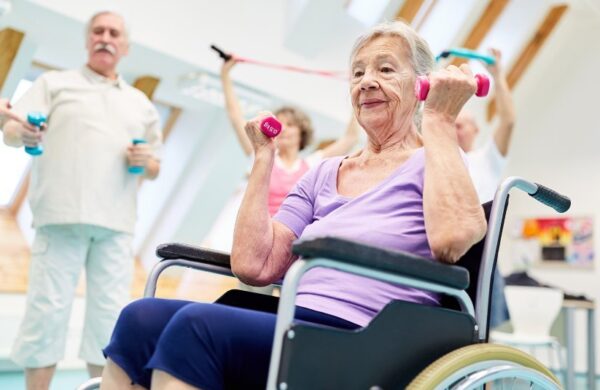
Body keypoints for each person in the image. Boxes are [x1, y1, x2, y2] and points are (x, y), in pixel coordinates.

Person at [100, 21, 486, 389]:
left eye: (385, 69)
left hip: (368, 333)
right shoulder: (323, 172)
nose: (367, 81)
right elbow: (255, 265)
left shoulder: (435, 158)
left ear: (421, 85)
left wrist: (437, 117)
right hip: (296, 317)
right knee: (140, 318)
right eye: (357, 73)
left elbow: (454, 239)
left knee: (197, 327)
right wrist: (262, 158)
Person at [2, 11, 162, 390]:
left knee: (109, 322)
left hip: (116, 224)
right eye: (98, 31)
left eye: (113, 33)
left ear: (125, 46)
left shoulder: (142, 104)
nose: (105, 37)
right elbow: (11, 129)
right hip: (60, 218)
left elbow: (156, 164)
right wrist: (22, 131)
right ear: (87, 39)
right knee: (46, 316)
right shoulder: (54, 83)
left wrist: (146, 162)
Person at [176, 55, 361, 300]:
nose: (284, 129)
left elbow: (349, 138)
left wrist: (355, 86)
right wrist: (226, 75)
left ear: (301, 132)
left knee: (285, 309)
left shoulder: (313, 163)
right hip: (260, 244)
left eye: (290, 125)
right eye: (279, 123)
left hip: (292, 247)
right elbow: (235, 116)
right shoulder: (261, 155)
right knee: (253, 302)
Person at [455, 48, 515, 328]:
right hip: (452, 255)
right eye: (452, 124)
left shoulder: (487, 159)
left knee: (486, 333)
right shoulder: (438, 161)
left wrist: (498, 74)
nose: (457, 129)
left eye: (463, 125)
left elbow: (509, 120)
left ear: (476, 130)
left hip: (484, 259)